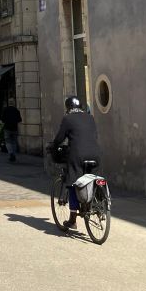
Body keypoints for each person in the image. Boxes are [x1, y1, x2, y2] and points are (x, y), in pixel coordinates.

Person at [50, 95, 101, 229]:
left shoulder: (68, 119)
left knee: (72, 182)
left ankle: (72, 220)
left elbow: (60, 138)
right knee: (93, 178)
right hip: (95, 154)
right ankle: (97, 205)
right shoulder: (90, 117)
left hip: (77, 155)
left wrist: (53, 146)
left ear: (68, 107)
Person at [1, 97, 22, 162]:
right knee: (14, 142)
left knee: (8, 141)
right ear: (14, 103)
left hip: (7, 128)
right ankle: (14, 154)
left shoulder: (5, 110)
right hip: (14, 128)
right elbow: (20, 120)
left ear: (8, 103)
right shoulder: (16, 110)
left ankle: (11, 153)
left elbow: (2, 120)